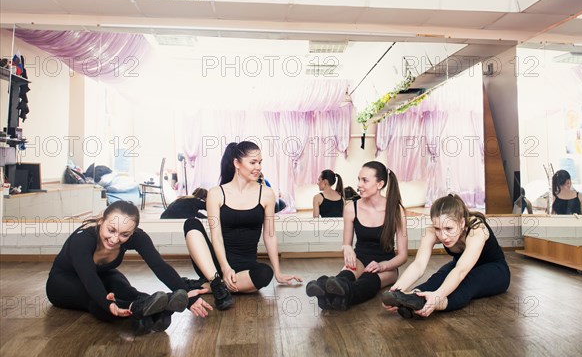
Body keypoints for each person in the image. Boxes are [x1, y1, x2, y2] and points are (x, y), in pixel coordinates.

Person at [46, 201, 213, 334]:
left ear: (132, 232)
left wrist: (187, 295)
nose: (115, 239)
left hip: (102, 274)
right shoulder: (83, 240)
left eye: (124, 235)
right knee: (97, 299)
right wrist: (107, 303)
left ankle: (156, 309)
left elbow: (159, 266)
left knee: (129, 291)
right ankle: (136, 310)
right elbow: (89, 278)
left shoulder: (136, 237)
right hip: (63, 282)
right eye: (111, 230)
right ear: (101, 221)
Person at [183, 141, 302, 311]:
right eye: (253, 162)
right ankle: (216, 282)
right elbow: (215, 236)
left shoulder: (266, 193)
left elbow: (269, 235)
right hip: (215, 266)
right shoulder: (217, 193)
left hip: (245, 268)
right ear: (237, 163)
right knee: (191, 224)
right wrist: (224, 268)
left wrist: (278, 272)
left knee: (264, 274)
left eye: (260, 162)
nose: (258, 167)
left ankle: (211, 287)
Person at [382, 194, 510, 318]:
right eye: (437, 228)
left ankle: (430, 303)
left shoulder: (476, 230)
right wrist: (396, 290)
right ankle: (411, 298)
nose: (443, 236)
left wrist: (437, 295)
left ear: (461, 223)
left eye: (449, 229)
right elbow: (419, 265)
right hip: (462, 264)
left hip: (494, 269)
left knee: (467, 281)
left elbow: (461, 271)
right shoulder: (431, 232)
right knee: (438, 278)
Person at [306, 161, 408, 311]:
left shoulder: (396, 210)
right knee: (343, 278)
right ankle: (325, 292)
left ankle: (327, 294)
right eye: (359, 179)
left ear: (379, 184)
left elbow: (403, 256)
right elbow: (346, 244)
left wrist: (382, 266)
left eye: (365, 180)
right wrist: (346, 248)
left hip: (386, 265)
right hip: (359, 259)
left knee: (367, 282)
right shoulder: (351, 208)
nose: (359, 184)